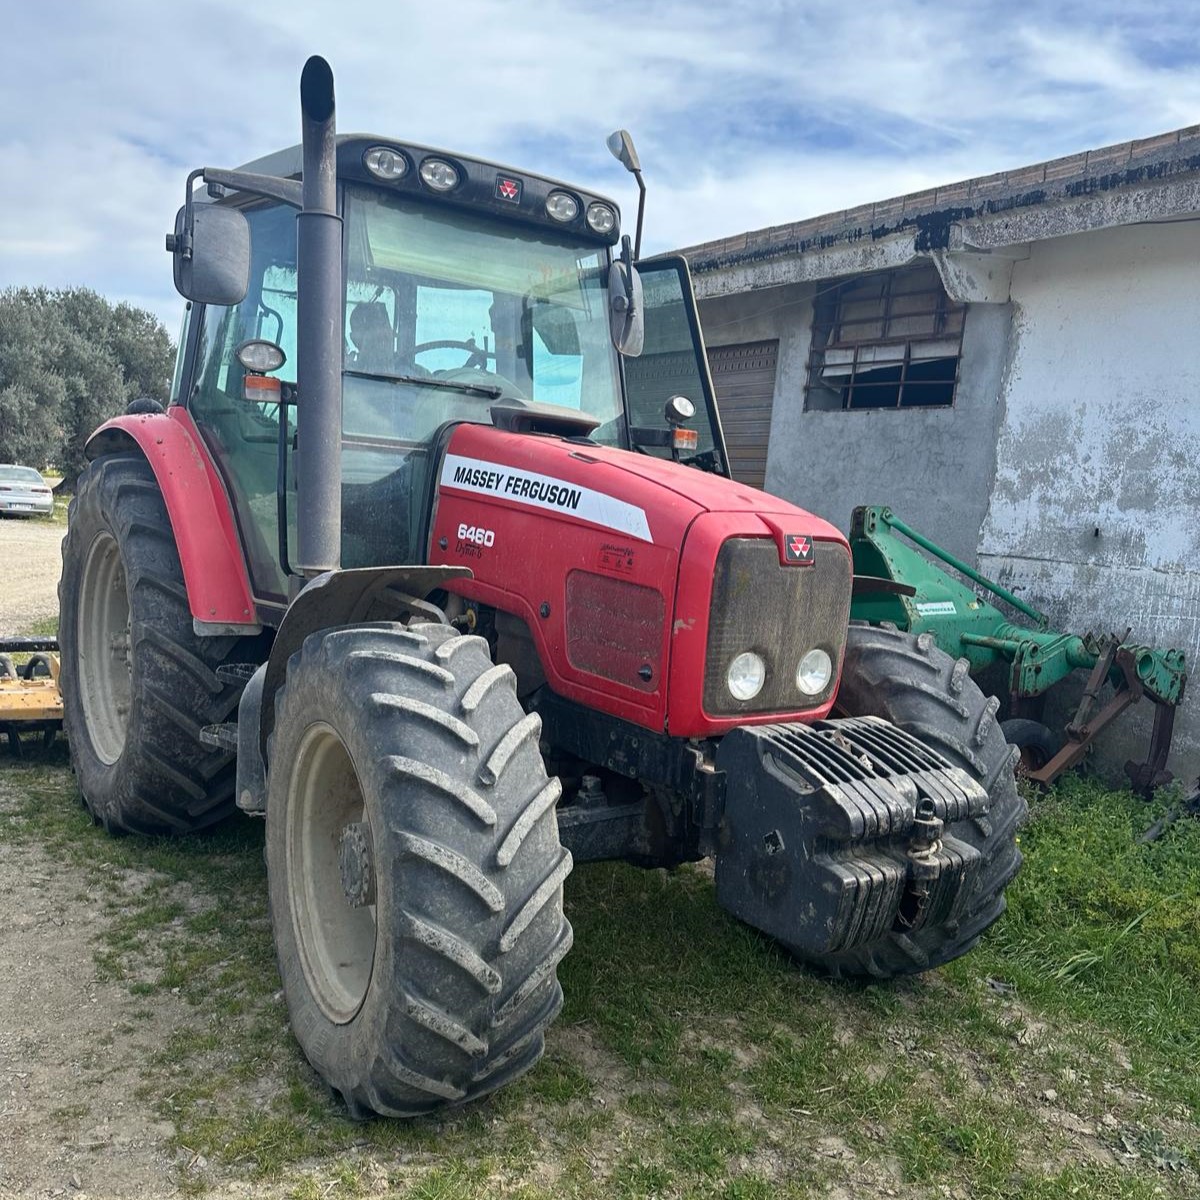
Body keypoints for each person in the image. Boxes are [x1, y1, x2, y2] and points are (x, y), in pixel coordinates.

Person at [348, 301, 396, 374]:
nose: (384, 341)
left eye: (386, 336)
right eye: (377, 339)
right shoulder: (347, 375)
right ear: (354, 339)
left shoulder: (412, 375)